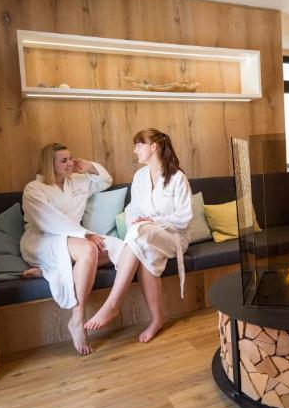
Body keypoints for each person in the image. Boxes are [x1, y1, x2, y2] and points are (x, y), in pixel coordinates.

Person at [85, 129, 193, 342]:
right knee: (143, 250)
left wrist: (151, 222)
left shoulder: (177, 178)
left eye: (138, 145)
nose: (135, 150)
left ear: (153, 147)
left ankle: (113, 304)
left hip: (173, 237)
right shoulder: (140, 177)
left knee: (139, 233)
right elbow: (132, 209)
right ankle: (156, 320)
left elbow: (184, 217)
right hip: (145, 236)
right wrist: (138, 221)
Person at [20, 143, 124, 355]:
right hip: (44, 239)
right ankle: (77, 319)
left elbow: (105, 181)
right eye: (64, 160)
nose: (70, 163)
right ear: (50, 164)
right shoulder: (34, 189)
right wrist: (85, 234)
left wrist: (89, 167)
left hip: (75, 238)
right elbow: (49, 220)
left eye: (70, 158)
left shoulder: (78, 181)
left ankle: (53, 269)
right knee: (89, 250)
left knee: (124, 249)